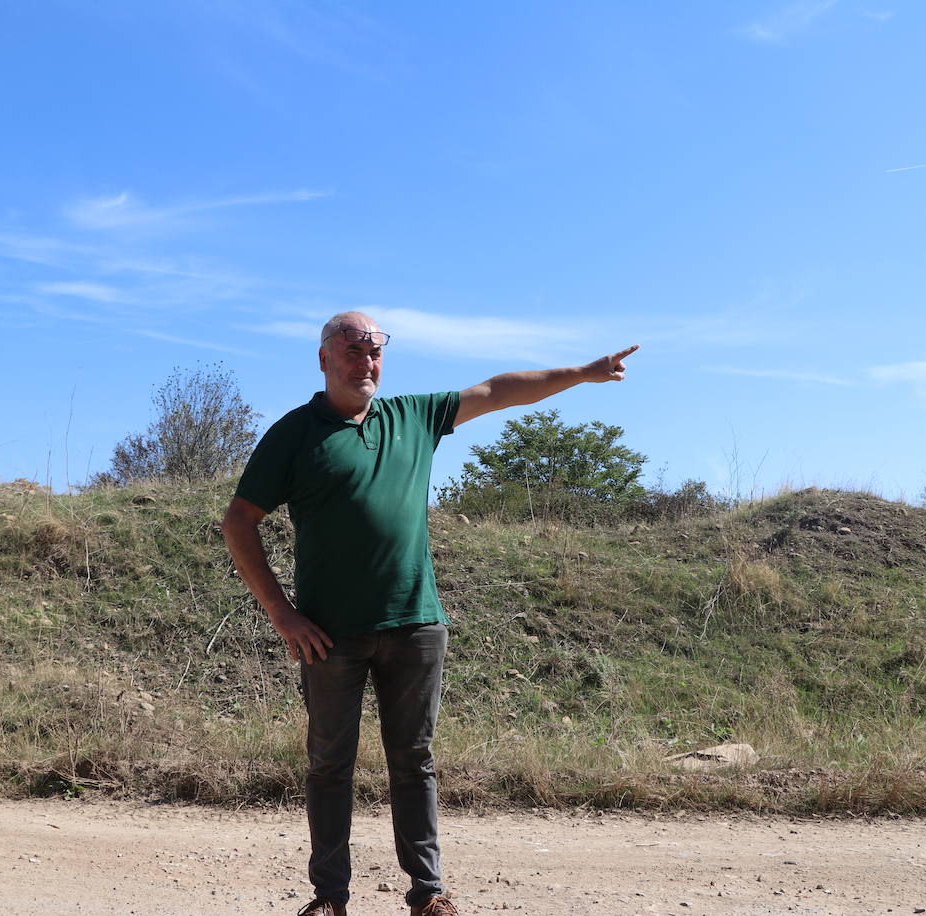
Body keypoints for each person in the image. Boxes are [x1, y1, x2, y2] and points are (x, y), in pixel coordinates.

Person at [221, 311, 638, 916]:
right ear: (323, 360)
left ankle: (428, 893)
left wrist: (582, 373)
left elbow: (497, 391)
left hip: (415, 623)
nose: (366, 362)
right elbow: (239, 521)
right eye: (352, 351)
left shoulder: (411, 416)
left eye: (375, 352)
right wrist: (283, 614)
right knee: (329, 764)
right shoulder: (293, 434)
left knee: (414, 762)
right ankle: (329, 898)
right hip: (328, 634)